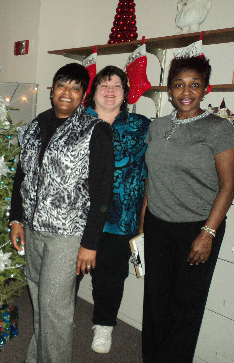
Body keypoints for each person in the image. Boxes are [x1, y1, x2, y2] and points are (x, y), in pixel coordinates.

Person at [9, 63, 115, 363]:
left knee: (55, 309)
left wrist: (90, 243)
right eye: (61, 86)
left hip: (68, 235)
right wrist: (16, 219)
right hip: (32, 228)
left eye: (75, 88)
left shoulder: (95, 131)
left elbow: (102, 192)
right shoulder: (34, 127)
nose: (67, 93)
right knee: (41, 304)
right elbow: (22, 176)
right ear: (52, 89)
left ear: (84, 95)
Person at [142, 56, 234, 363]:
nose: (186, 91)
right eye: (179, 84)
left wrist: (207, 233)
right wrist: (143, 224)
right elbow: (151, 177)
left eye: (194, 84)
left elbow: (228, 186)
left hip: (197, 228)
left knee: (185, 305)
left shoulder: (218, 129)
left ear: (205, 89)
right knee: (155, 300)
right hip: (157, 224)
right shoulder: (156, 126)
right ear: (169, 90)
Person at [82, 66, 150, 353]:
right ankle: (57, 323)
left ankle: (104, 325)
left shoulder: (142, 125)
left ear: (125, 93)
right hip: (76, 214)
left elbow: (155, 170)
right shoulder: (76, 122)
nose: (110, 91)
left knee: (110, 277)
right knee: (64, 275)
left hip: (121, 217)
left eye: (117, 86)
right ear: (93, 91)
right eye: (104, 85)